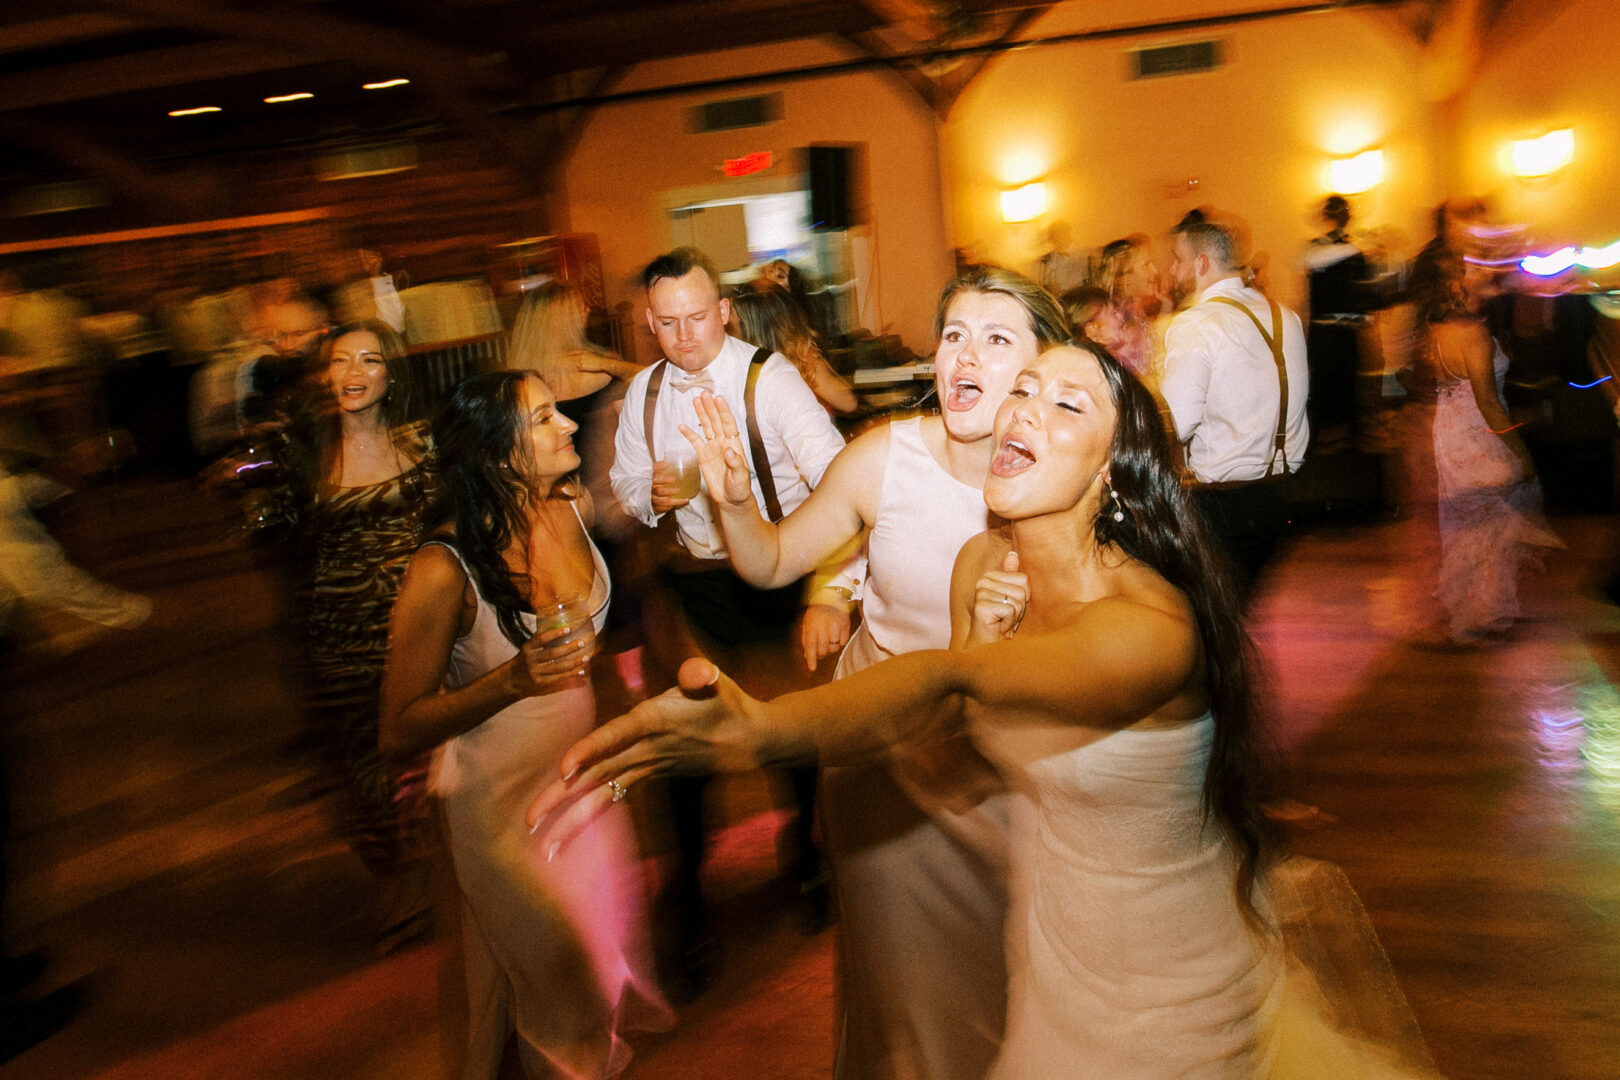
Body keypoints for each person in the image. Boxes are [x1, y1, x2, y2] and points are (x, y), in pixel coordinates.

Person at [533, 342, 1440, 1080]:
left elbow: (946, 687)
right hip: (1050, 966)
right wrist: (968, 631)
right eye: (1027, 390)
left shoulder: (1148, 629)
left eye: (1066, 405)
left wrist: (763, 732)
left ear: (1112, 474)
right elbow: (949, 763)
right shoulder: (980, 567)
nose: (1022, 410)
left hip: (1169, 986)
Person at [653, 267, 1069, 1080]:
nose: (964, 356)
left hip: (1004, 765)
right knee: (904, 987)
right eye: (953, 335)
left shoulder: (1068, 473)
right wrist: (736, 503)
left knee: (1010, 966)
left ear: (1038, 366)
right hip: (879, 757)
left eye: (994, 337)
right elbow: (772, 563)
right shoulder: (884, 458)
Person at [379, 370, 670, 1078]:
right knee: (558, 979)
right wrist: (510, 681)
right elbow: (397, 729)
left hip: (582, 789)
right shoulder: (443, 569)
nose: (567, 425)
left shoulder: (568, 505)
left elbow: (606, 640)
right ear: (494, 452)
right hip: (498, 809)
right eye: (542, 419)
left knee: (601, 972)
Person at [608, 247, 847, 985]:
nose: (685, 337)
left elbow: (839, 479)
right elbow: (621, 491)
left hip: (777, 578)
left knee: (791, 735)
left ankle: (804, 853)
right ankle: (687, 896)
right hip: (695, 585)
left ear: (724, 312)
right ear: (650, 323)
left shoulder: (767, 381)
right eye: (668, 323)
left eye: (697, 320)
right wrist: (650, 493)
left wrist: (827, 591)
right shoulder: (643, 395)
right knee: (686, 743)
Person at [248, 318, 436, 946]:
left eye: (370, 361)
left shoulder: (422, 443)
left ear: (392, 374)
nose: (354, 373)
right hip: (339, 630)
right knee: (364, 760)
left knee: (429, 749)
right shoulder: (305, 448)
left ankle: (437, 868)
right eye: (341, 361)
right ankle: (392, 876)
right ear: (326, 373)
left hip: (417, 625)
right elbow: (274, 536)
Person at [1162, 219, 1309, 601]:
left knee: (1208, 622)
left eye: (1178, 260)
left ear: (1202, 264)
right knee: (1238, 612)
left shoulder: (1197, 323)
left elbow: (1174, 423)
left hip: (1222, 504)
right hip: (1280, 496)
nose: (1173, 271)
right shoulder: (1285, 316)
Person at [1421, 257, 1561, 644]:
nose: (1487, 279)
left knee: (1468, 525)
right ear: (1456, 287)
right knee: (1491, 524)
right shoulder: (1474, 335)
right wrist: (1521, 452)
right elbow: (1489, 405)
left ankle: (1470, 607)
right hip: (1478, 434)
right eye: (1475, 275)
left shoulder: (1437, 330)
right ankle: (1481, 613)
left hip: (1447, 432)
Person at [508, 281, 642, 541]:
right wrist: (607, 364)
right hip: (587, 498)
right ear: (560, 319)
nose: (588, 310)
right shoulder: (601, 370)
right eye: (579, 306)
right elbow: (650, 383)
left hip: (549, 501)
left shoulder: (519, 377)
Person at [1304, 196, 1373, 452]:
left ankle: (1354, 445)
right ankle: (1317, 446)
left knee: (1349, 386)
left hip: (1347, 331)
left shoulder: (1355, 251)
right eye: (1339, 211)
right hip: (1325, 330)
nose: (1345, 215)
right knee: (1322, 388)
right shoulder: (1317, 248)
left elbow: (1360, 290)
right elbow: (1314, 268)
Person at [730, 284, 857, 415]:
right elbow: (849, 403)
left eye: (731, 320)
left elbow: (848, 403)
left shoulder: (739, 368)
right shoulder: (799, 359)